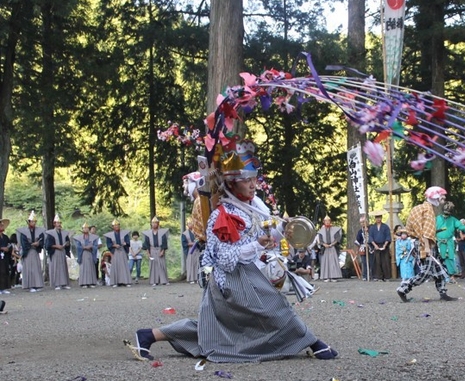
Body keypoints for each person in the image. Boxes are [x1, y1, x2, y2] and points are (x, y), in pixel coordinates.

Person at [125, 145, 337, 362]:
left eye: (254, 178)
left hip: (248, 274)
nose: (253, 185)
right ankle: (312, 342)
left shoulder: (254, 204)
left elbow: (268, 227)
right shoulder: (222, 215)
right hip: (229, 282)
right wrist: (257, 245)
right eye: (247, 180)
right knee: (275, 306)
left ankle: (148, 335)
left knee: (217, 331)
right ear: (233, 183)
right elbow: (226, 260)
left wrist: (285, 229)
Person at [396, 186, 456, 302]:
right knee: (426, 272)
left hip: (421, 242)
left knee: (440, 268)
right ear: (435, 198)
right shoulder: (428, 211)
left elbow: (413, 228)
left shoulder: (419, 208)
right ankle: (403, 288)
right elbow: (426, 233)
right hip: (426, 245)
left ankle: (443, 292)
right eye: (441, 198)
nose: (442, 200)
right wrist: (428, 247)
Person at [436, 201, 465, 277]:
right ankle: (440, 275)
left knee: (450, 257)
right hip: (439, 242)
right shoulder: (437, 219)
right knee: (438, 258)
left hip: (449, 242)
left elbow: (461, 226)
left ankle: (451, 275)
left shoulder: (453, 220)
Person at [17, 211, 44, 292]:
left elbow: (42, 241)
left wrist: (38, 243)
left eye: (35, 221)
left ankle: (37, 285)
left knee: (36, 268)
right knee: (29, 269)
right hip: (28, 252)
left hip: (35, 252)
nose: (34, 223)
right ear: (29, 222)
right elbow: (23, 243)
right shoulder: (23, 232)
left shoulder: (39, 231)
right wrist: (33, 244)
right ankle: (30, 285)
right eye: (32, 221)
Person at [44, 214, 72, 290]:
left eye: (60, 223)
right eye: (57, 223)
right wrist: (56, 246)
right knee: (56, 267)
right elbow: (48, 245)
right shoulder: (50, 233)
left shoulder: (64, 233)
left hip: (62, 251)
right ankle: (56, 284)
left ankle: (64, 283)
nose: (59, 225)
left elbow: (67, 241)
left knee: (63, 267)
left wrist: (67, 244)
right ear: (54, 224)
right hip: (55, 252)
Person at [104, 220, 131, 287]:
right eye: (115, 225)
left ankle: (125, 281)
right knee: (115, 266)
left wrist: (126, 243)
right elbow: (109, 244)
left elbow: (128, 242)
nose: (117, 226)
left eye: (118, 225)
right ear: (113, 227)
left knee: (123, 265)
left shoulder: (124, 233)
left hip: (122, 250)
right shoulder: (110, 235)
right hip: (115, 251)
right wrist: (114, 245)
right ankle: (115, 282)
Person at [142, 217, 169, 286]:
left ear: (158, 224)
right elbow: (146, 244)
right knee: (153, 265)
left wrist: (162, 251)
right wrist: (148, 253)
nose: (154, 224)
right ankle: (154, 281)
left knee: (161, 264)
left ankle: (164, 280)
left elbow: (164, 242)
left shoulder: (162, 233)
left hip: (160, 248)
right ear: (151, 224)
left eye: (155, 223)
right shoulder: (148, 233)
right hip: (152, 249)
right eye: (153, 223)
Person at [317, 215, 343, 282]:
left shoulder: (334, 229)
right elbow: (320, 240)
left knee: (333, 262)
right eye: (326, 221)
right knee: (326, 262)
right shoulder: (321, 231)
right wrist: (324, 244)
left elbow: (337, 239)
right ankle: (326, 277)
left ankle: (334, 276)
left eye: (328, 221)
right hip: (325, 248)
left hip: (332, 247)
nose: (327, 222)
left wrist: (332, 244)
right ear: (324, 222)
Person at [368, 210, 392, 281]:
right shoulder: (372, 228)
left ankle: (386, 276)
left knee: (385, 261)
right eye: (377, 218)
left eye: (379, 217)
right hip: (376, 245)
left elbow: (388, 236)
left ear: (381, 218)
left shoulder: (385, 227)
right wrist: (374, 245)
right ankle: (377, 276)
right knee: (377, 261)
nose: (378, 219)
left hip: (384, 244)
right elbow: (371, 237)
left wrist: (385, 245)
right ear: (375, 218)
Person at [74, 222, 99, 288]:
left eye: (87, 228)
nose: (86, 229)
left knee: (91, 267)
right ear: (82, 229)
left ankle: (91, 282)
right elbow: (78, 246)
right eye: (84, 228)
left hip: (90, 253)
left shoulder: (93, 237)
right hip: (83, 254)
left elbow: (96, 246)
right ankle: (84, 283)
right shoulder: (79, 238)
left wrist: (91, 247)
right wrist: (84, 247)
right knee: (83, 268)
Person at [354, 216, 373, 281]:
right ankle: (365, 275)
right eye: (361, 222)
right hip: (363, 248)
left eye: (363, 222)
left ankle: (371, 275)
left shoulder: (372, 229)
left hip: (371, 247)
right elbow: (357, 241)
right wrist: (357, 250)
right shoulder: (360, 232)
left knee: (371, 262)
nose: (362, 224)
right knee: (364, 262)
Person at [182, 219, 199, 284]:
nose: (191, 225)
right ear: (187, 225)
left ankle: (197, 278)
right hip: (190, 249)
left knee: (197, 263)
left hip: (197, 249)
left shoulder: (197, 232)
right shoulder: (184, 234)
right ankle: (191, 278)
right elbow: (184, 243)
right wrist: (191, 244)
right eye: (189, 224)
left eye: (192, 223)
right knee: (190, 264)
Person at [0, 218, 12, 294]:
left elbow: (9, 245)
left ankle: (3, 288)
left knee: (5, 271)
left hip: (4, 257)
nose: (2, 226)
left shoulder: (5, 237)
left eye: (2, 225)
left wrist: (8, 248)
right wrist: (1, 248)